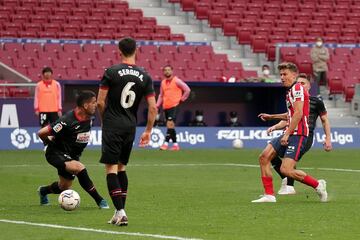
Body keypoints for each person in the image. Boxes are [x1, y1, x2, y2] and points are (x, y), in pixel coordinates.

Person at [97, 37, 157, 226]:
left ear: (119, 51)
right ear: (136, 50)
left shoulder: (111, 72)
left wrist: (104, 119)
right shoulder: (145, 76)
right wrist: (148, 130)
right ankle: (118, 212)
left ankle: (121, 211)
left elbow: (99, 102)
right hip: (130, 126)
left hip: (113, 124)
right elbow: (153, 108)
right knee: (122, 167)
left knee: (111, 169)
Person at [251, 62, 328, 203]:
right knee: (264, 157)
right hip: (291, 132)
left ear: (294, 75)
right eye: (280, 74)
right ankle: (269, 195)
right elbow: (291, 115)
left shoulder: (297, 89)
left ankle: (318, 185)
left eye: (284, 74)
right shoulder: (290, 91)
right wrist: (271, 116)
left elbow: (298, 114)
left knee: (286, 170)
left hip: (299, 134)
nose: (281, 77)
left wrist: (286, 134)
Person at [37, 90, 109, 209]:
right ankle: (99, 200)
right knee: (79, 168)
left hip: (72, 155)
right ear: (85, 105)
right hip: (56, 153)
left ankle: (43, 191)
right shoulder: (66, 121)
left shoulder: (90, 117)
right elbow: (42, 132)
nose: (96, 105)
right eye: (93, 102)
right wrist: (48, 142)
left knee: (64, 186)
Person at [156, 65, 191, 151]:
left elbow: (187, 89)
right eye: (165, 70)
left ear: (172, 71)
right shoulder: (163, 82)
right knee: (170, 126)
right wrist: (157, 105)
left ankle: (165, 144)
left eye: (168, 70)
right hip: (165, 107)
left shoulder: (177, 81)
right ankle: (175, 145)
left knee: (170, 124)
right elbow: (161, 95)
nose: (167, 72)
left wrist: (182, 99)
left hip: (174, 106)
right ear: (163, 72)